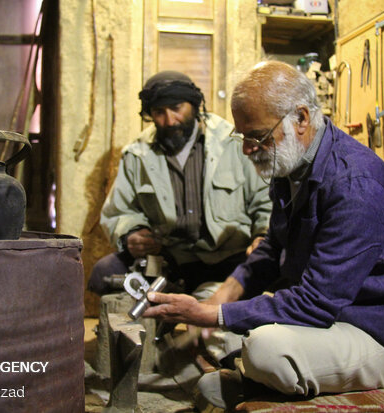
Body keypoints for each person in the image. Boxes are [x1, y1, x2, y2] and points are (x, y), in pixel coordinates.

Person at [142, 61, 384, 409]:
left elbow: (316, 302)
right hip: (325, 320)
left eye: (257, 136)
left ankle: (255, 375)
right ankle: (253, 374)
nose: (248, 149)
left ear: (302, 119)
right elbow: (271, 247)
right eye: (243, 136)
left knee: (266, 349)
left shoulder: (357, 184)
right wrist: (221, 298)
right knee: (229, 326)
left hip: (373, 330)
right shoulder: (289, 164)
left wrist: (212, 316)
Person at [89, 70, 272, 299]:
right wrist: (132, 234)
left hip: (230, 259)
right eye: (159, 112)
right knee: (104, 273)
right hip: (170, 261)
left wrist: (262, 236)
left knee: (277, 268)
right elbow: (119, 211)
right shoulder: (138, 153)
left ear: (194, 106)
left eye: (176, 108)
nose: (169, 121)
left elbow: (265, 200)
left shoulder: (233, 143)